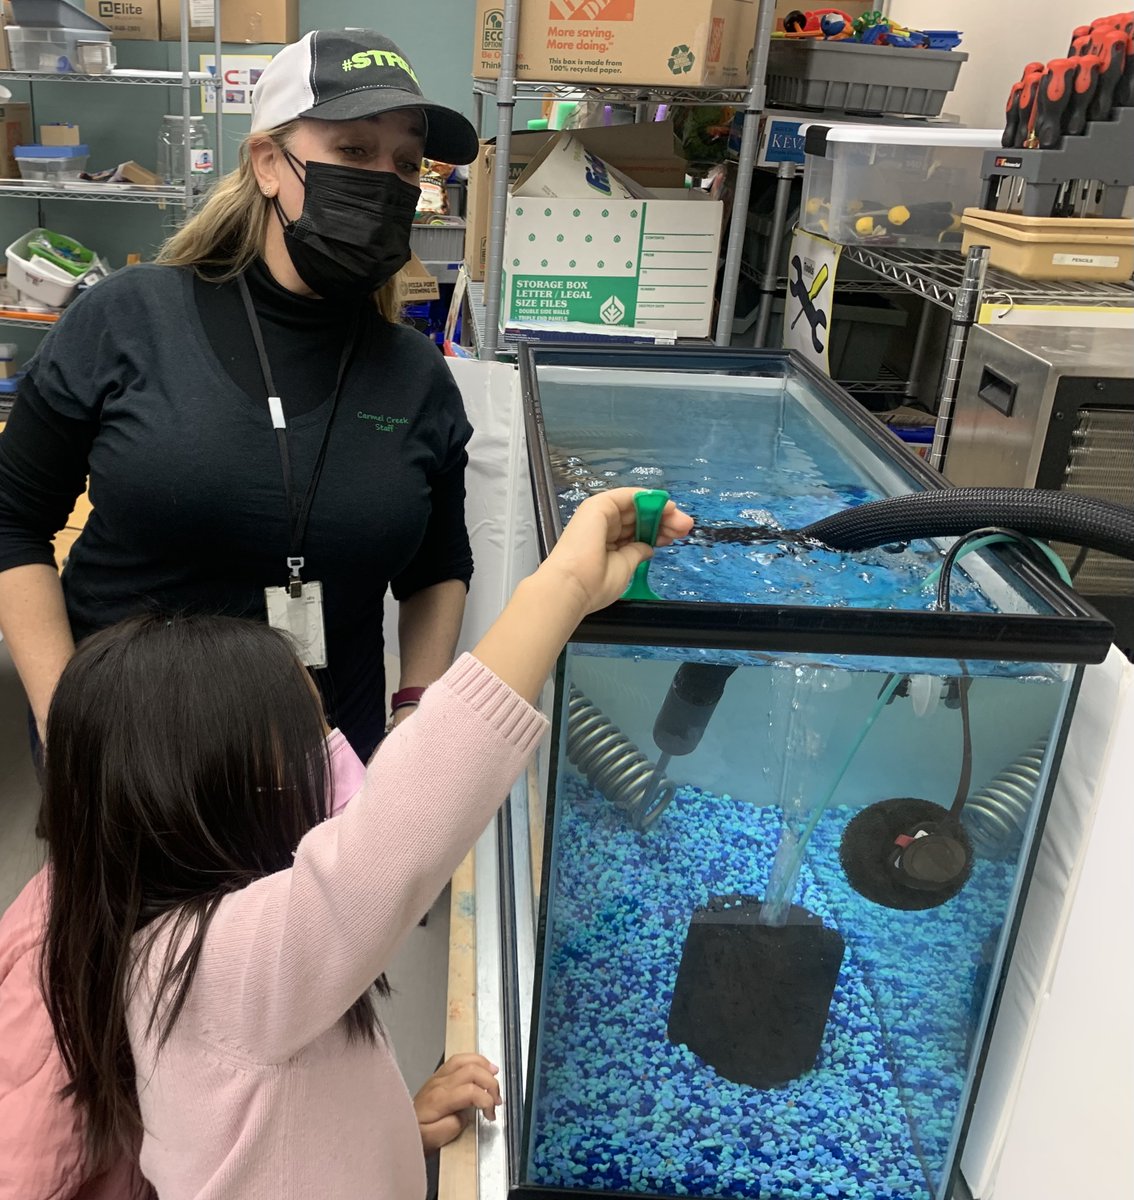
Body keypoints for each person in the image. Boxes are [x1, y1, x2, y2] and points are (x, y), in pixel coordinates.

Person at [39, 488, 694, 1198]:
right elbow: (406, 817)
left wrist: (395, 1127)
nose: (337, 759)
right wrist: (562, 587)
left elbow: (263, 1127)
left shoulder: (148, 938)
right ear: (210, 800)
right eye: (307, 745)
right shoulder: (207, 970)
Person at [0, 29, 483, 762]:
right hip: (125, 764)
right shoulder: (129, 320)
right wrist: (61, 717)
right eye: (353, 151)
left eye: (406, 162)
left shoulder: (415, 376)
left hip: (326, 775)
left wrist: (415, 710)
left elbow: (438, 569)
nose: (386, 180)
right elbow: (12, 522)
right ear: (266, 162)